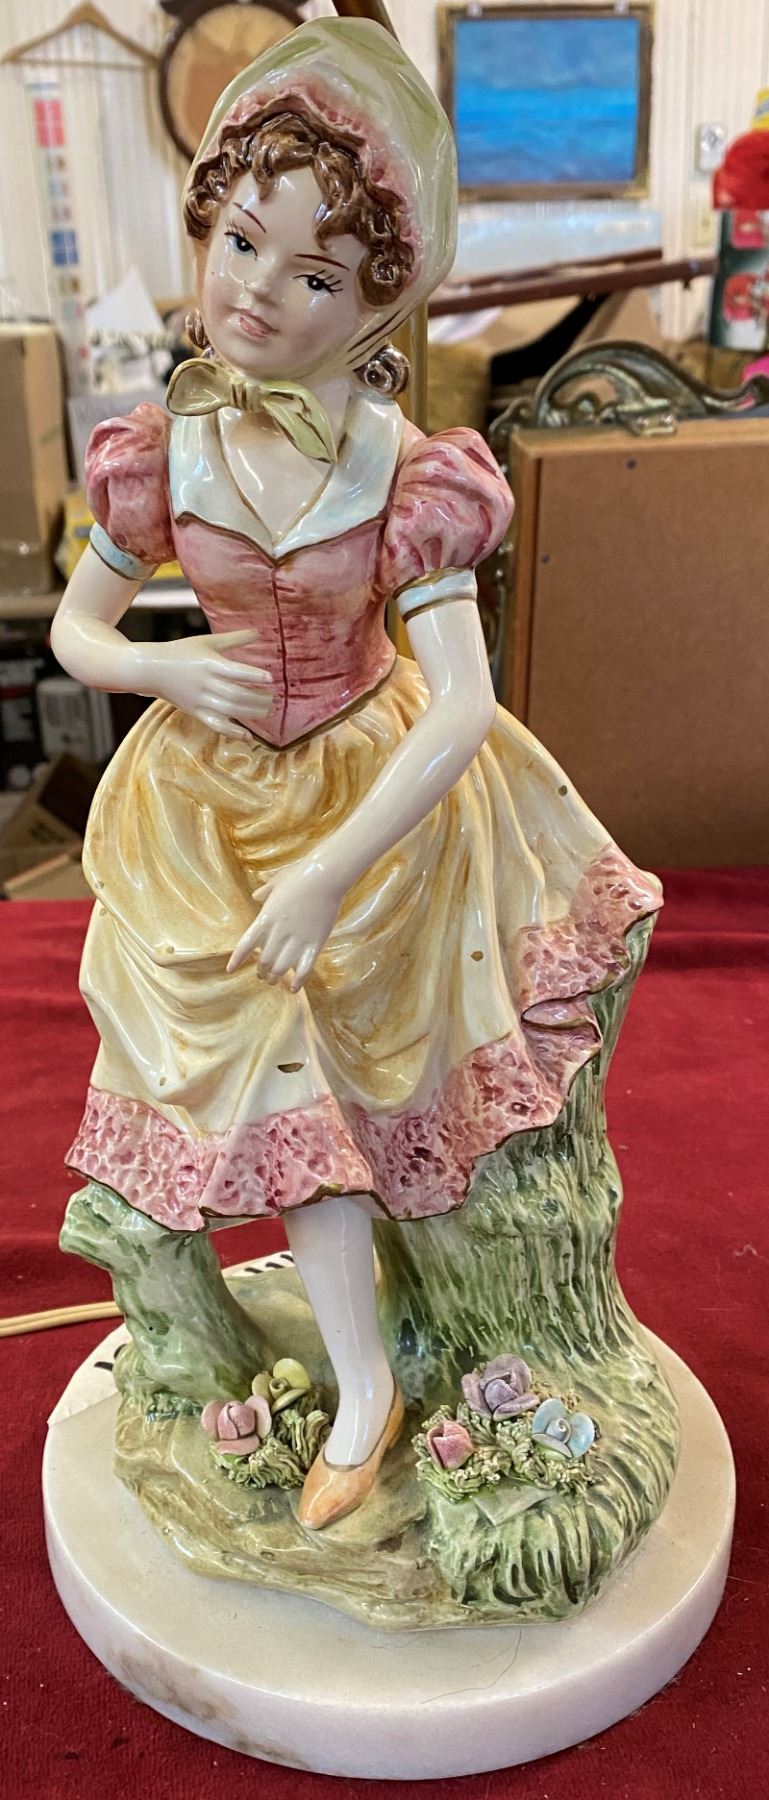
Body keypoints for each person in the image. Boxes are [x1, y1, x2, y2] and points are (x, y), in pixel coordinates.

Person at [52, 18, 661, 1531]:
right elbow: (76, 629)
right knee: (253, 1065)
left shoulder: (407, 470)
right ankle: (348, 1375)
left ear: (380, 297)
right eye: (241, 241)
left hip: (377, 804)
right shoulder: (163, 450)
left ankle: (404, 1367)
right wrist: (162, 667)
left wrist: (333, 872)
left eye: (316, 275)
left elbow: (463, 703)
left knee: (355, 1069)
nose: (258, 290)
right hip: (204, 811)